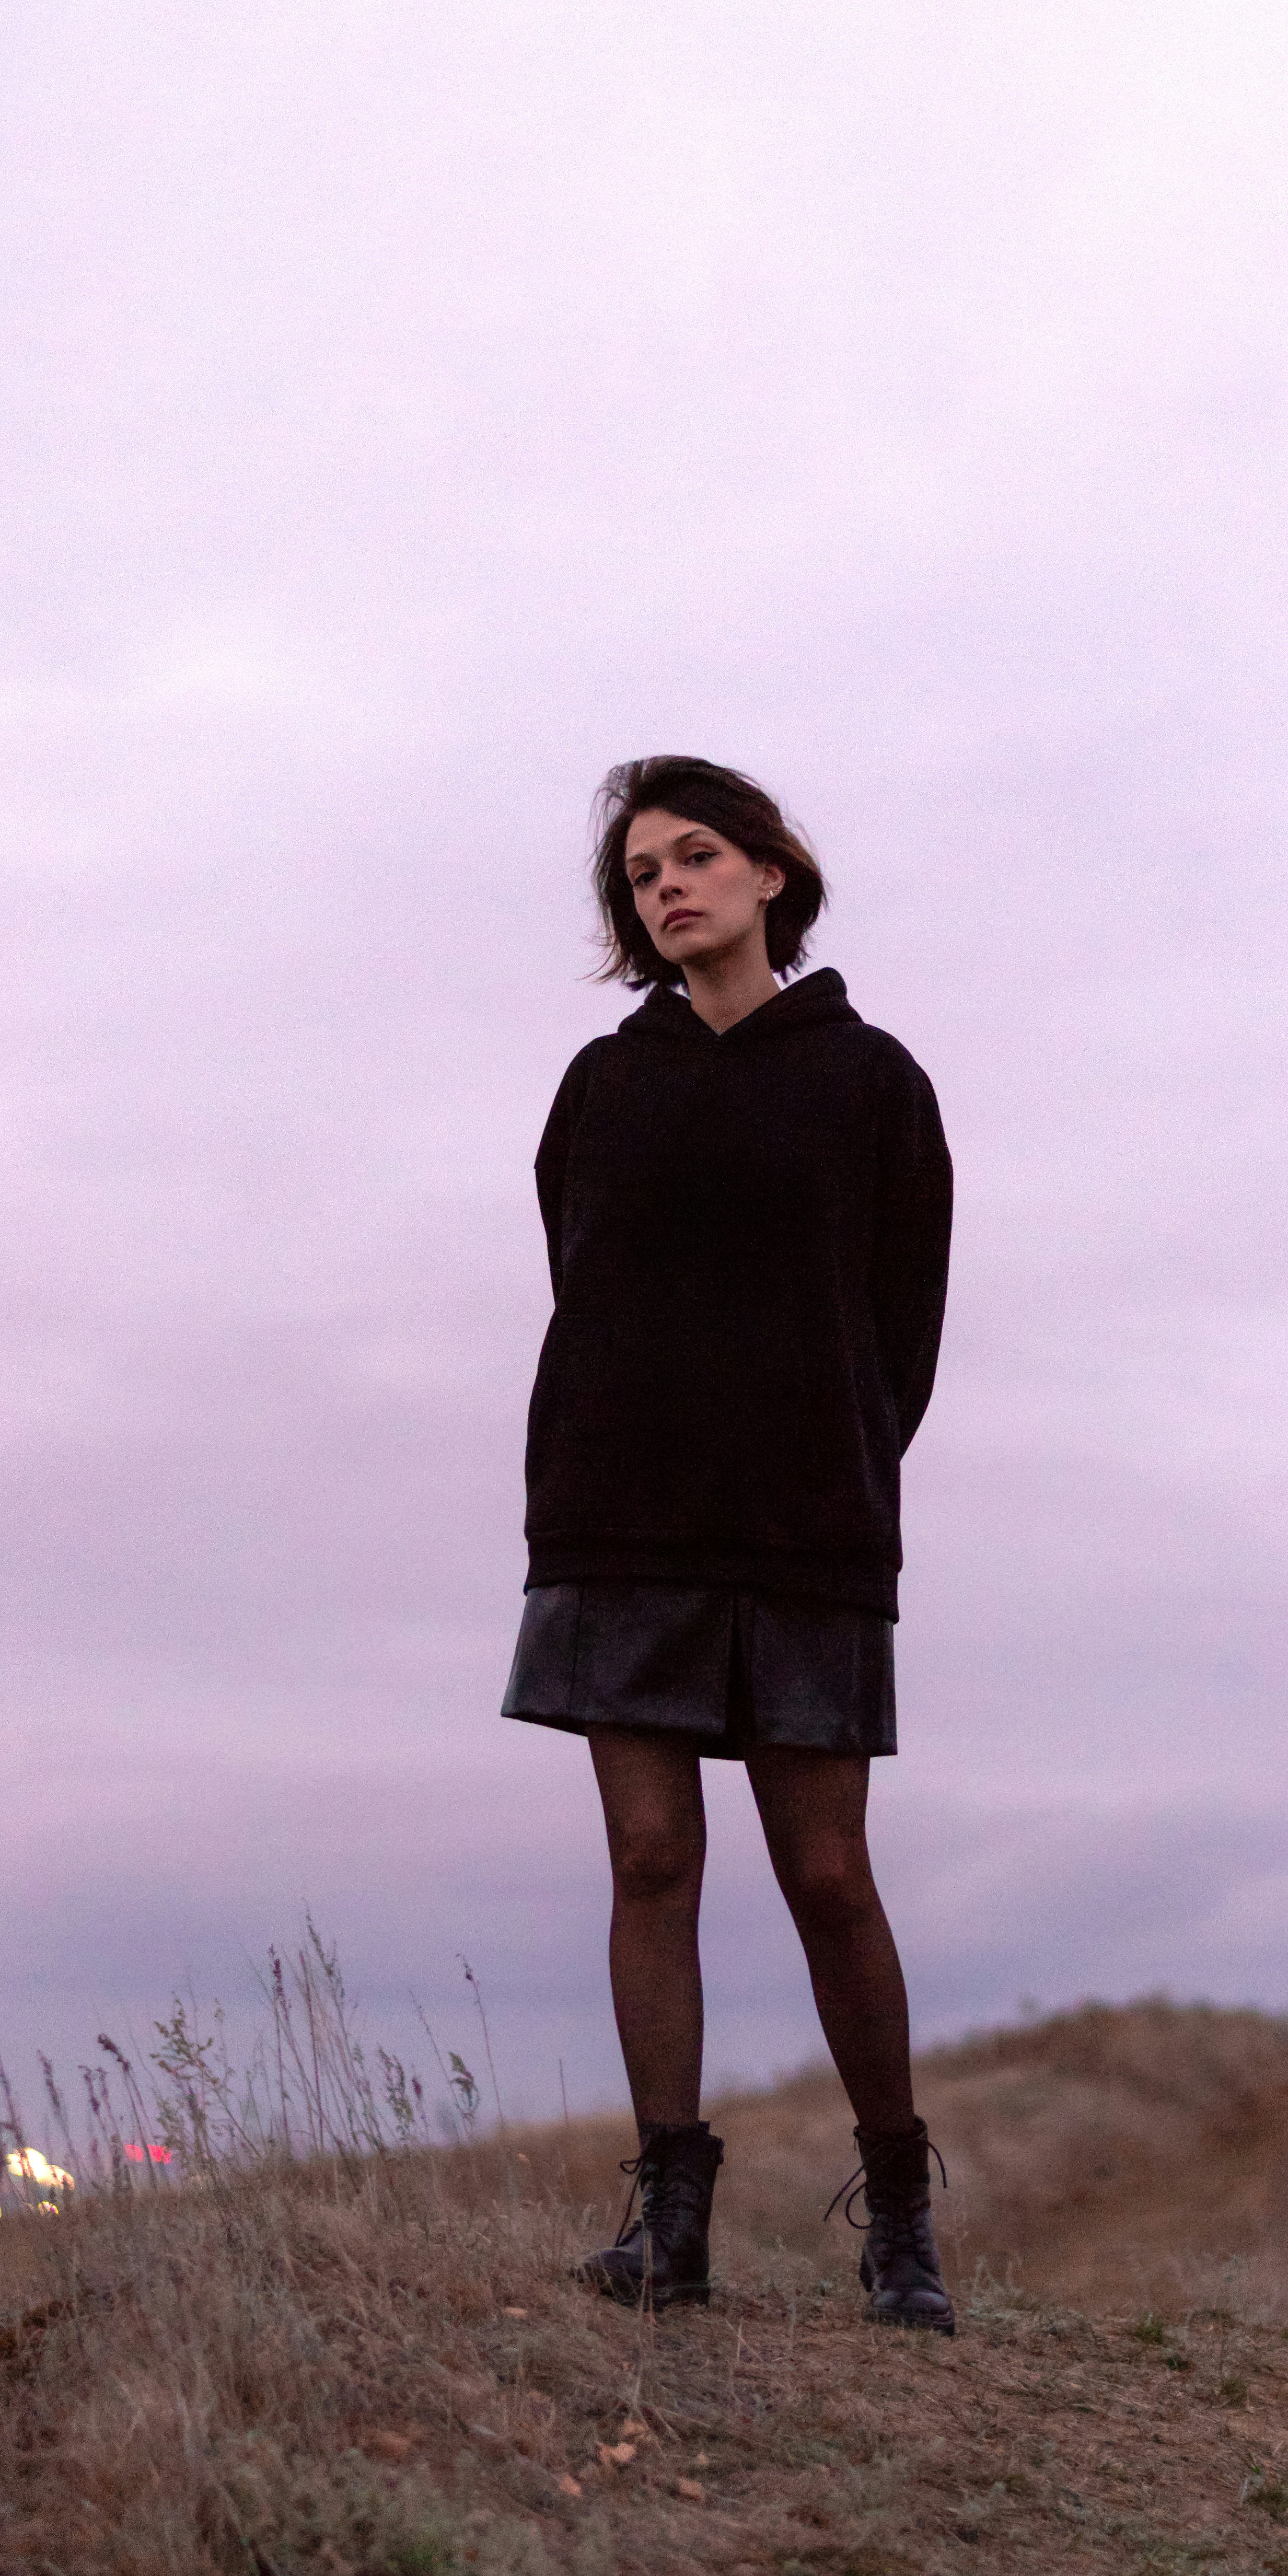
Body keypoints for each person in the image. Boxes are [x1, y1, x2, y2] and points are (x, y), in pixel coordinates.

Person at [502, 756, 955, 2331]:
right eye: (643, 875)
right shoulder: (602, 1088)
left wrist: (838, 1468)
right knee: (650, 1859)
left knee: (828, 1874)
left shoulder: (873, 1082)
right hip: (618, 1523)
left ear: (771, 874)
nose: (669, 888)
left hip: (810, 1530)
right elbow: (585, 1287)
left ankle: (901, 2221)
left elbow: (902, 1328)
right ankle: (670, 2221)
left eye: (696, 857)